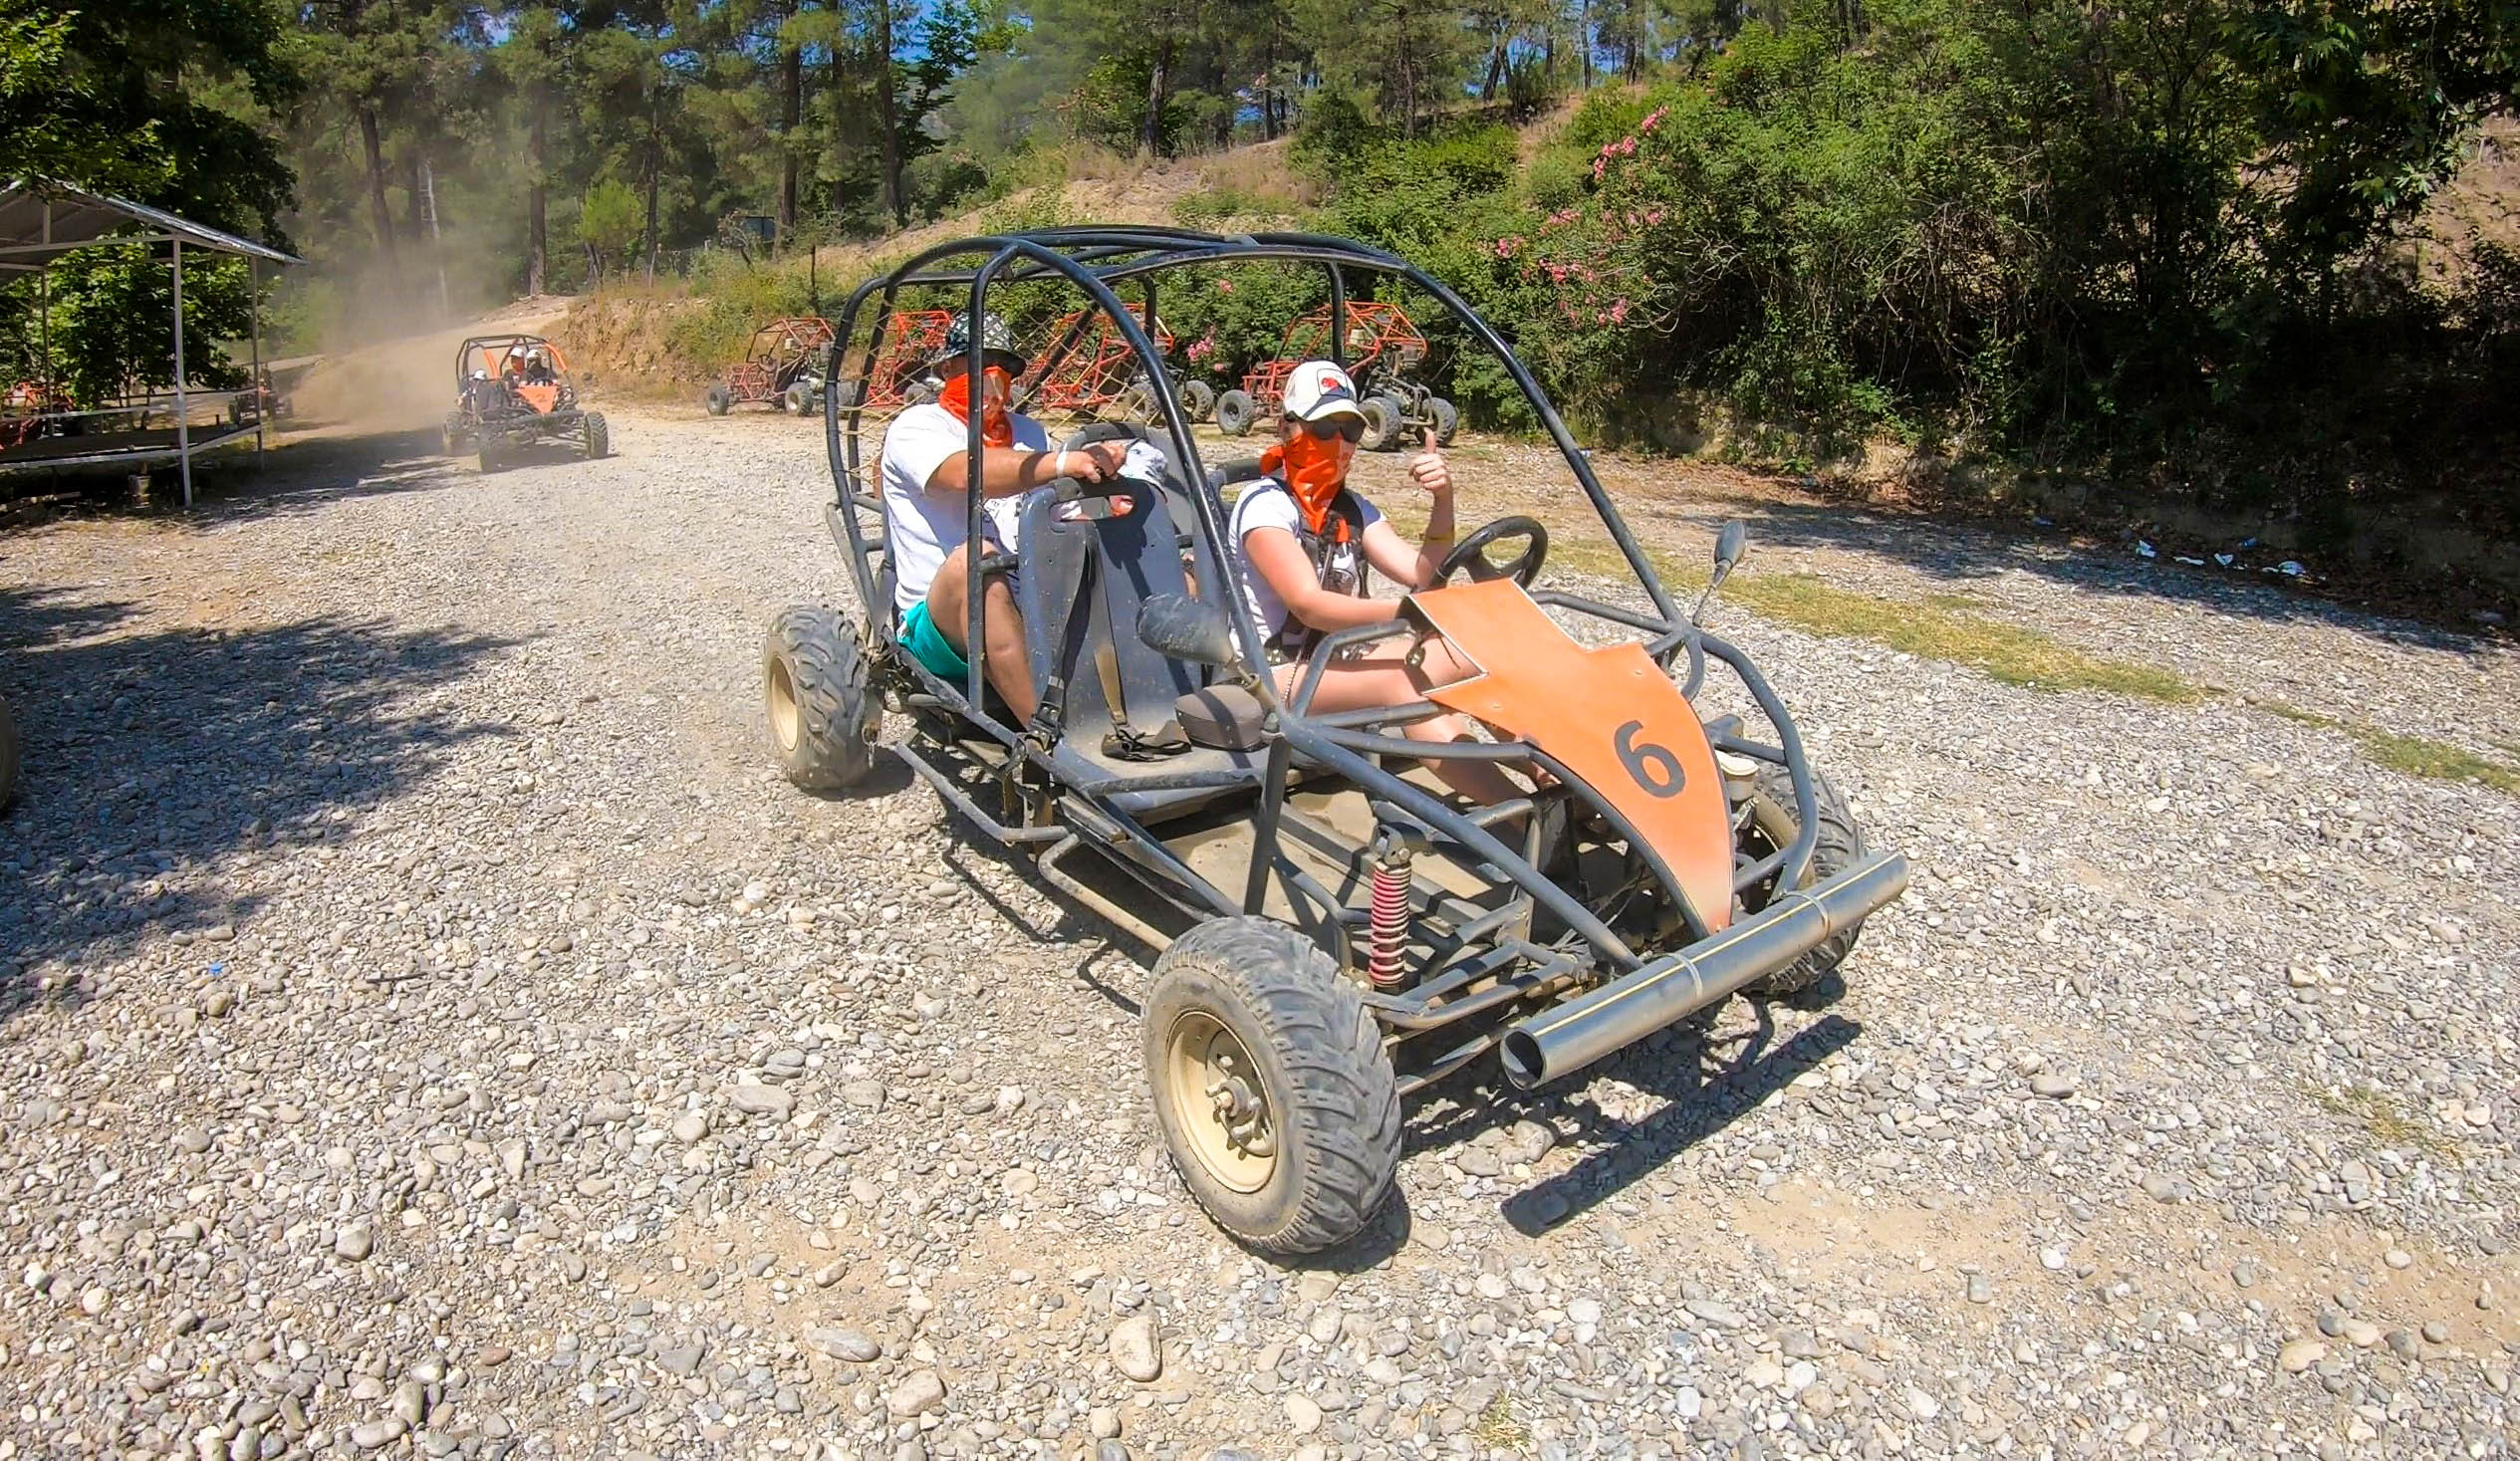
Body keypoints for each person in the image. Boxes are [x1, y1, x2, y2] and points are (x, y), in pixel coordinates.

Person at [1228, 360, 1526, 804]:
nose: (1340, 443)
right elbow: (1309, 604)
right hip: (1269, 674)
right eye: (1325, 428)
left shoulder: (1352, 509)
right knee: (1401, 680)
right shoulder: (1265, 506)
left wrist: (1442, 499)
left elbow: (1423, 575)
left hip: (1334, 663)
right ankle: (1521, 821)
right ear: (1288, 428)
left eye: (1349, 430)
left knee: (1481, 652)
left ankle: (1553, 782)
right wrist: (1408, 614)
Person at [879, 311, 1130, 720]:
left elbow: (1055, 509)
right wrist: (1063, 462)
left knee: (1134, 541)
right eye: (979, 361)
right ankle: (1049, 739)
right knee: (978, 558)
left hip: (1029, 594)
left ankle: (1166, 703)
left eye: (1004, 366)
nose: (993, 375)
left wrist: (1104, 505)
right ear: (948, 368)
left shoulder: (1029, 431)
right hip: (940, 615)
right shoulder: (917, 427)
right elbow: (966, 473)